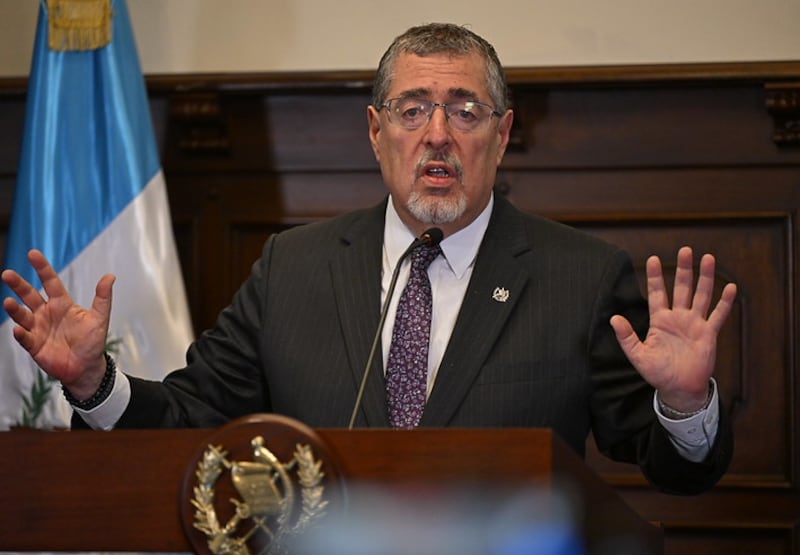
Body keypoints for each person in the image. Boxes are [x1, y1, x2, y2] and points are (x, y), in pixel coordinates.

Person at [1, 23, 736, 494]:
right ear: (376, 132)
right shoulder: (293, 266)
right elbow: (193, 418)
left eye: (466, 110)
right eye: (413, 110)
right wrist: (97, 383)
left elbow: (674, 469)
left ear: (504, 133)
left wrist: (682, 405)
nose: (439, 134)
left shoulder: (582, 275)